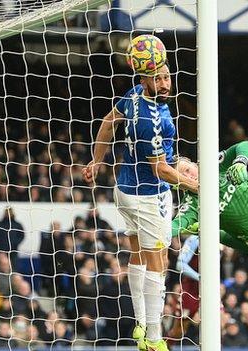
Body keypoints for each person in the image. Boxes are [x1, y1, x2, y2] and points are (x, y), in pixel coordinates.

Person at [82, 62, 197, 351]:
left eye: (166, 77)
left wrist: (97, 160)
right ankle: (156, 338)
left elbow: (109, 120)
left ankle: (141, 324)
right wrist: (199, 187)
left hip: (124, 188)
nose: (164, 84)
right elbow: (161, 170)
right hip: (149, 195)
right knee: (159, 263)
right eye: (157, 79)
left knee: (138, 254)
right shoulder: (151, 120)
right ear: (145, 80)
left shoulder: (134, 95)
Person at [172, 141, 248, 257]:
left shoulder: (213, 166)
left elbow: (246, 145)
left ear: (195, 164)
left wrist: (240, 161)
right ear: (179, 186)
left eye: (188, 170)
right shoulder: (191, 204)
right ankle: (212, 232)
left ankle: (209, 230)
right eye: (182, 177)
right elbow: (176, 225)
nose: (189, 177)